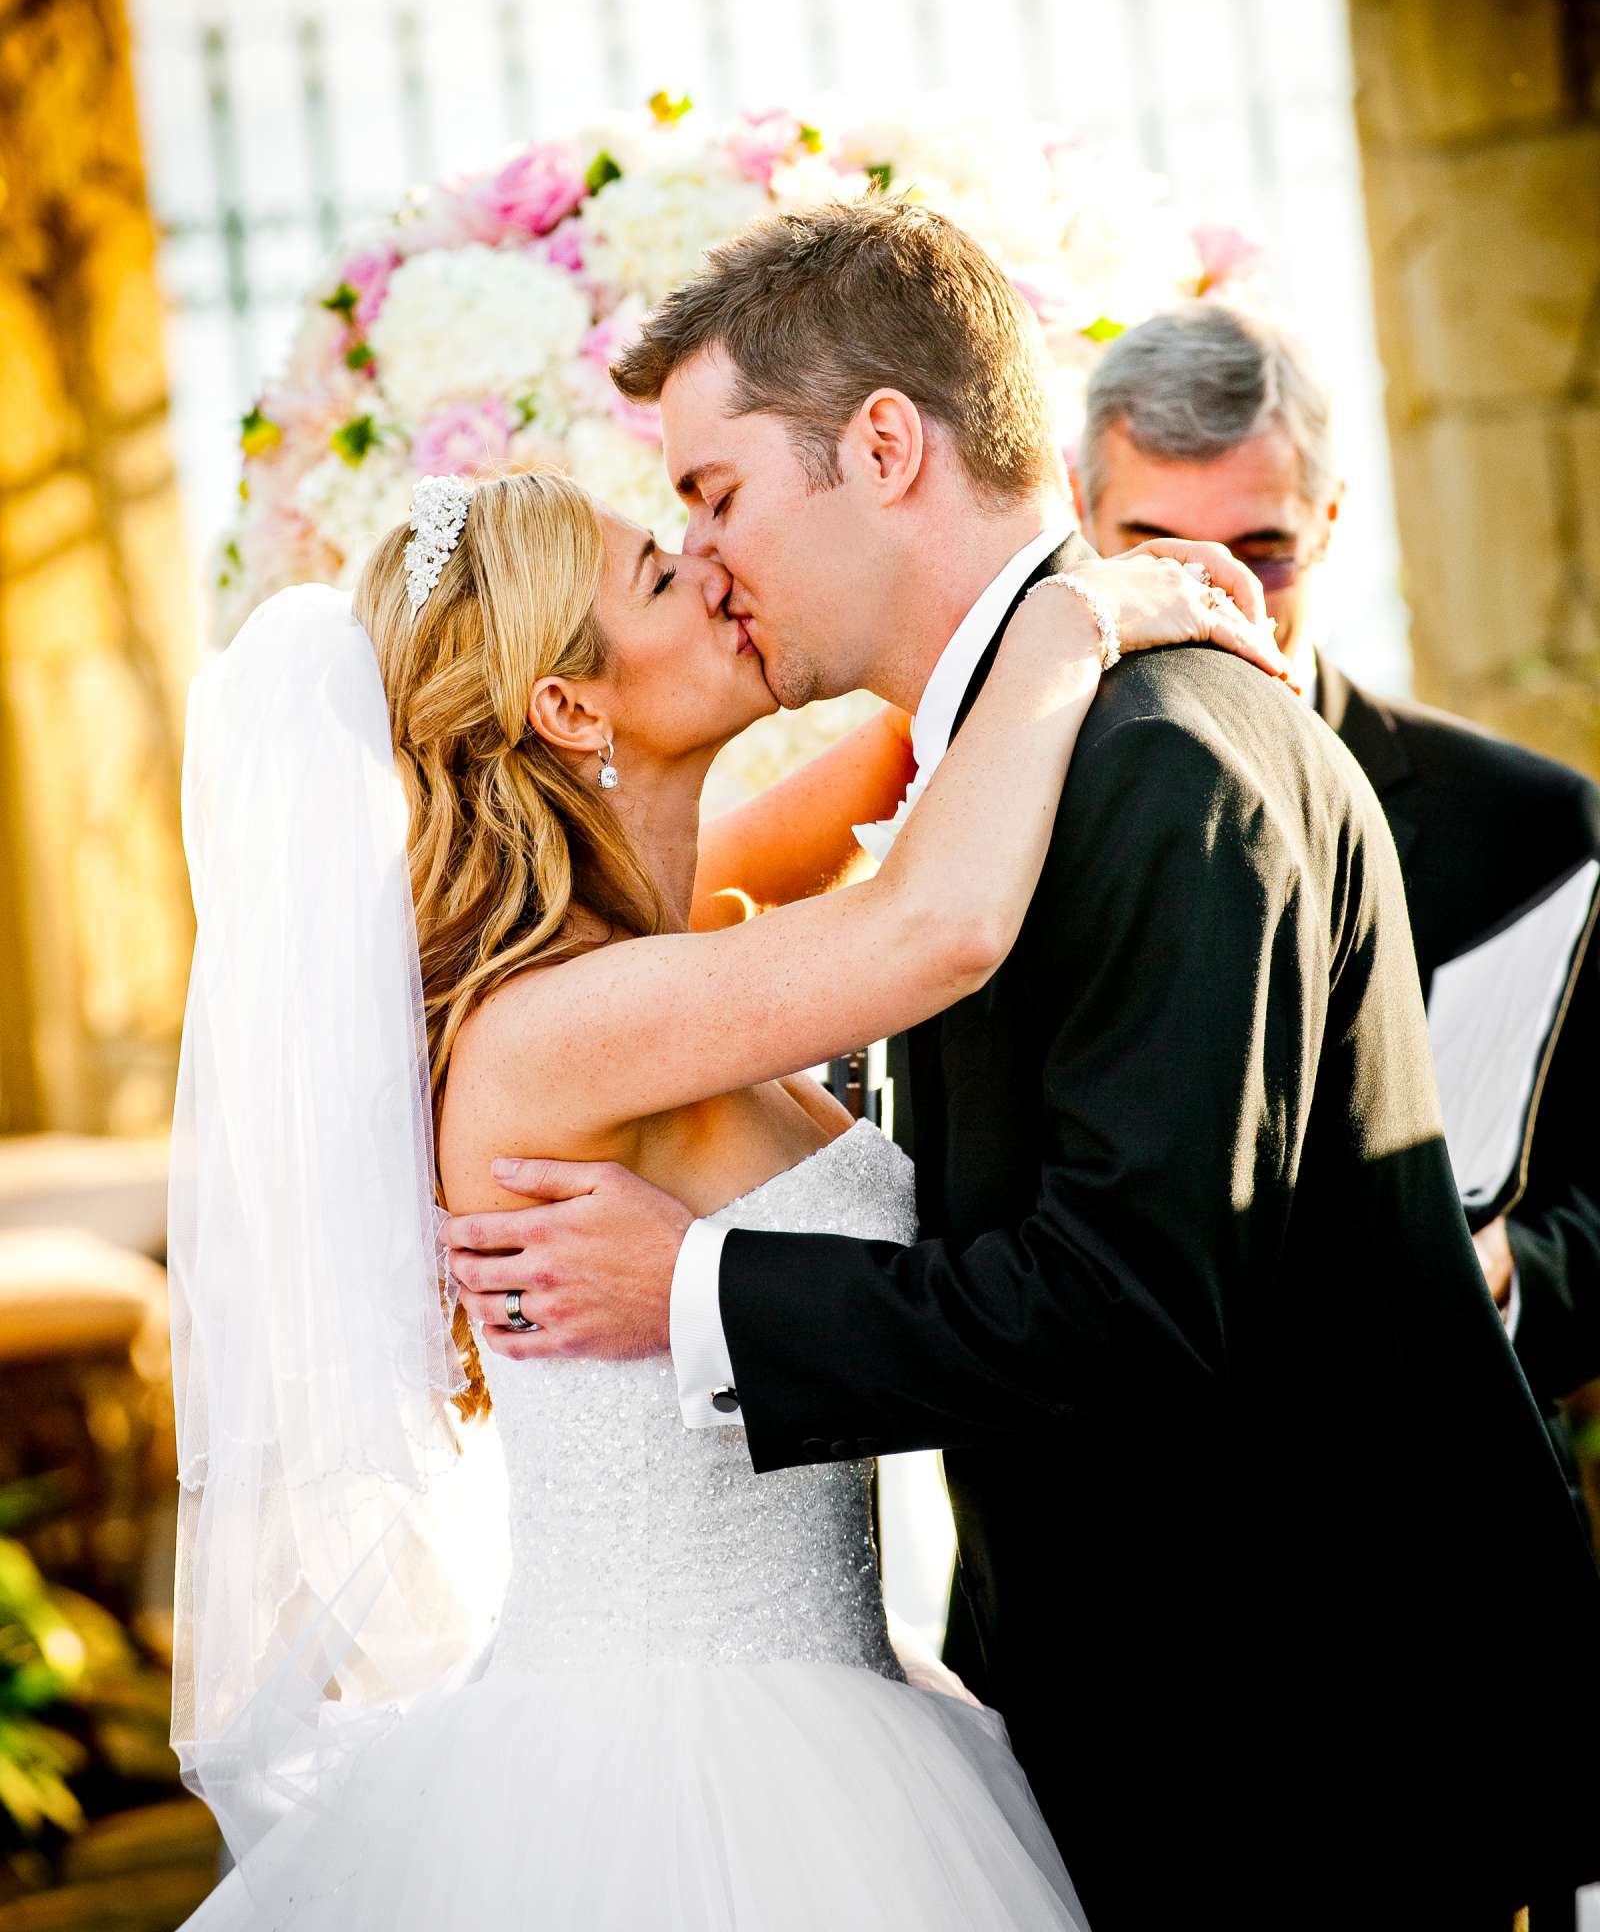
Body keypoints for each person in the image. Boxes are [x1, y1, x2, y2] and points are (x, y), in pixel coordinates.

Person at [451, 201, 1600, 1932]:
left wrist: (701, 1292)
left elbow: (1132, 1301)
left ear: (887, 445)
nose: (709, 553)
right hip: (1113, 1737)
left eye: (717, 494)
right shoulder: (1027, 767)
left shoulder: (1156, 766)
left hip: (1294, 1761)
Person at [170, 460, 1278, 1930]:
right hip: (680, 1770)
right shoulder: (558, 1028)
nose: (707, 562)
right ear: (569, 708)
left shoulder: (667, 951)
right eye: (655, 573)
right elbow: (933, 923)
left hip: (852, 1701)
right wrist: (1073, 619)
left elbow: (898, 765)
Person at [1070, 301, 1600, 1493]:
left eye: (1259, 553)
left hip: (1441, 1527)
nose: (1211, 593)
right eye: (1153, 547)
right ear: (1077, 510)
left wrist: (1499, 1270)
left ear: (1331, 519)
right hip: (1101, 1569)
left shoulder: (1527, 825)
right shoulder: (996, 817)